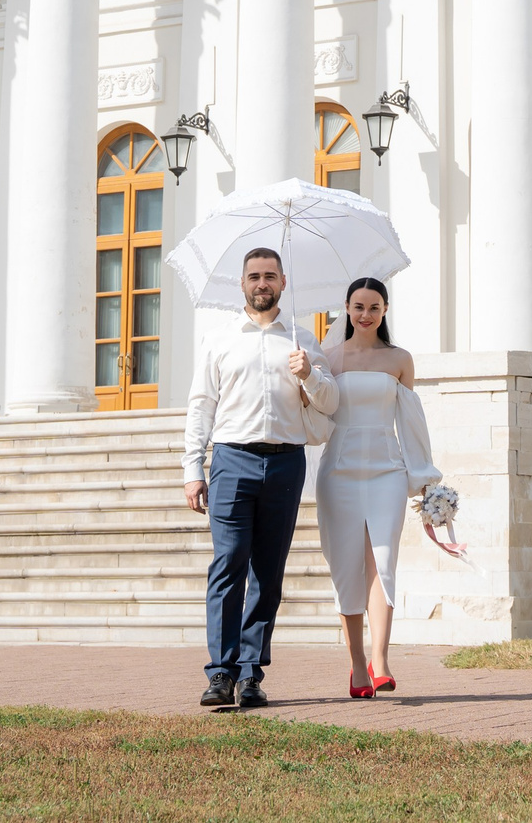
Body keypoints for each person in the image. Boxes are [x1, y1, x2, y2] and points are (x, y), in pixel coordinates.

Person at [182, 246, 336, 710]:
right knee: (227, 565)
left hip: (287, 463)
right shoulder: (220, 339)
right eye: (254, 276)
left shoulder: (303, 340)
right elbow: (201, 405)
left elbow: (330, 404)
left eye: (270, 275)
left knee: (267, 574)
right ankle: (220, 673)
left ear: (283, 283)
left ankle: (251, 674)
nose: (262, 283)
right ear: (242, 283)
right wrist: (193, 469)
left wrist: (309, 373)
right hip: (231, 460)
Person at [315, 276, 439, 698]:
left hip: (388, 471)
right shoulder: (328, 358)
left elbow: (411, 422)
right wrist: (303, 376)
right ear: (346, 310)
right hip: (339, 473)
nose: (365, 314)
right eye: (357, 306)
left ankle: (381, 659)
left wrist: (422, 476)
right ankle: (356, 665)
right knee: (346, 565)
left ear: (385, 311)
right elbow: (317, 414)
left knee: (382, 559)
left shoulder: (400, 359)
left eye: (373, 307)